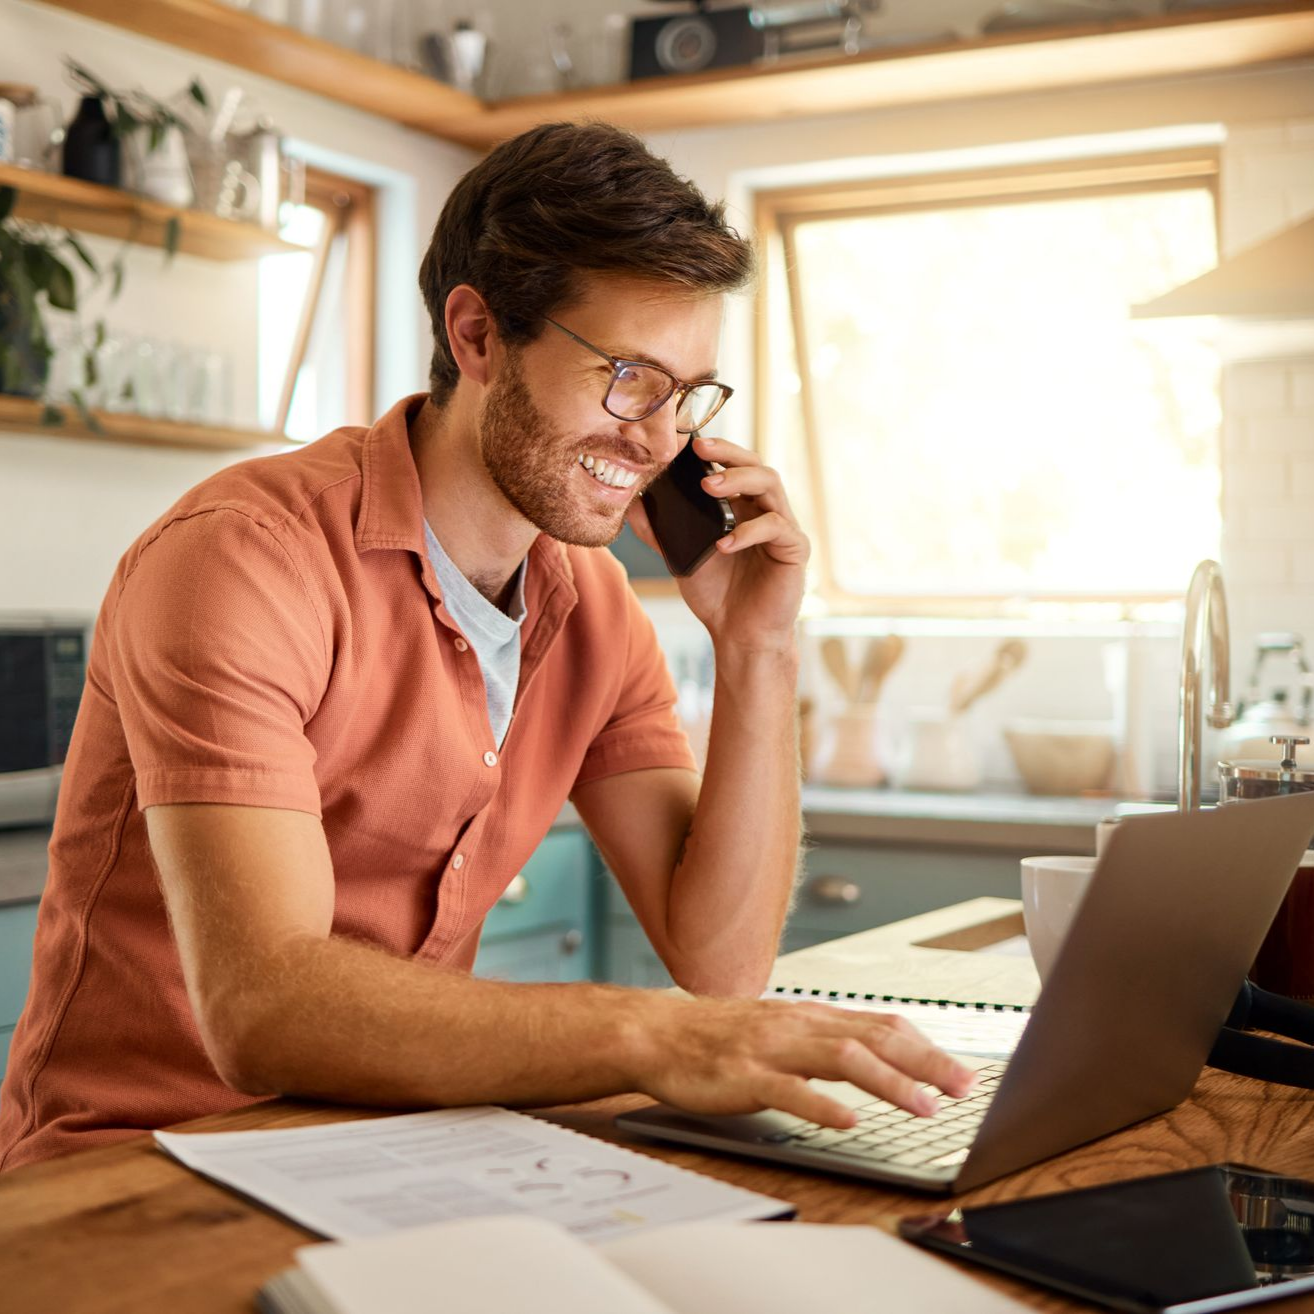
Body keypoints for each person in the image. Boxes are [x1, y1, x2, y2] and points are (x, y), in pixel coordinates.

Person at [0, 122, 973, 1172]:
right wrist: (658, 1039)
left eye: (685, 393)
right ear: (477, 338)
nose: (657, 440)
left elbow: (723, 961)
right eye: (628, 377)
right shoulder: (244, 558)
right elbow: (262, 1006)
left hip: (398, 1155)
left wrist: (760, 647)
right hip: (136, 1170)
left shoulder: (595, 609)